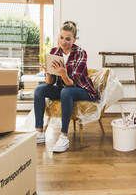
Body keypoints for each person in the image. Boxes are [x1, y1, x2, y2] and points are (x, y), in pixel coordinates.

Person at [34, 21, 98, 152]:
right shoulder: (54, 52)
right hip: (64, 88)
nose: (63, 42)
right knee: (39, 90)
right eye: (61, 38)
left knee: (66, 92)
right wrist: (48, 73)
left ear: (74, 39)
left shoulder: (80, 53)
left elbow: (71, 83)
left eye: (68, 39)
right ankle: (39, 133)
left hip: (82, 89)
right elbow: (50, 83)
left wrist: (63, 74)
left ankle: (64, 137)